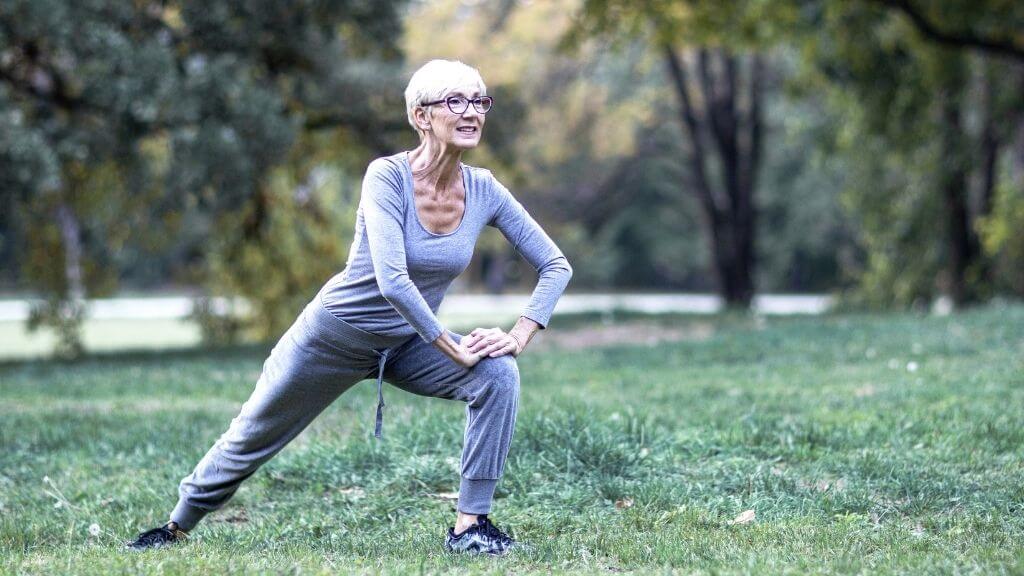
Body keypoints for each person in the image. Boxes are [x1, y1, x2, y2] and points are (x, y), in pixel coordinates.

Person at [126, 59, 573, 556]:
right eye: (455, 101)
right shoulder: (387, 177)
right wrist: (453, 345)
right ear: (420, 116)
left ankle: (470, 526)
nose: (472, 112)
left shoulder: (484, 188)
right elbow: (393, 281)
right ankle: (174, 529)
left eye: (479, 101)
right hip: (334, 336)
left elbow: (555, 265)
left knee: (498, 374)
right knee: (251, 435)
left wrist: (517, 335)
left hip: (405, 344)